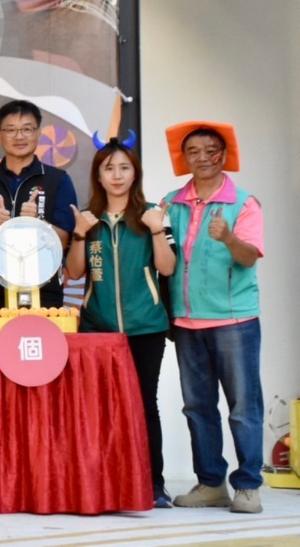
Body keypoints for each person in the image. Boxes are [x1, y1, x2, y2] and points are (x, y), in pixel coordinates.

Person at [64, 138, 176, 508]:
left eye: (124, 168)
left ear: (135, 174)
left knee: (144, 404)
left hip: (146, 326)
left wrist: (156, 229)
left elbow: (167, 268)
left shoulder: (153, 215)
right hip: (97, 329)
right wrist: (79, 233)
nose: (117, 175)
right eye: (108, 168)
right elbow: (74, 272)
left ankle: (153, 484)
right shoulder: (88, 219)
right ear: (97, 175)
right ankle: (103, 483)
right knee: (99, 407)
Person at [160, 122, 265, 514]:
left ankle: (248, 486)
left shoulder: (244, 202)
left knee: (243, 407)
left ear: (224, 155)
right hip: (186, 322)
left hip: (234, 321)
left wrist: (229, 239)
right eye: (194, 151)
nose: (202, 157)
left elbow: (249, 257)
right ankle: (210, 484)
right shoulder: (170, 203)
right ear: (183, 157)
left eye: (211, 150)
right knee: (197, 407)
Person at [0, 100, 77, 326]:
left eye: (27, 129)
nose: (19, 136)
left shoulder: (58, 180)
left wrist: (38, 223)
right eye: (11, 130)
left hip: (44, 293)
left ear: (38, 133)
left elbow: (64, 241)